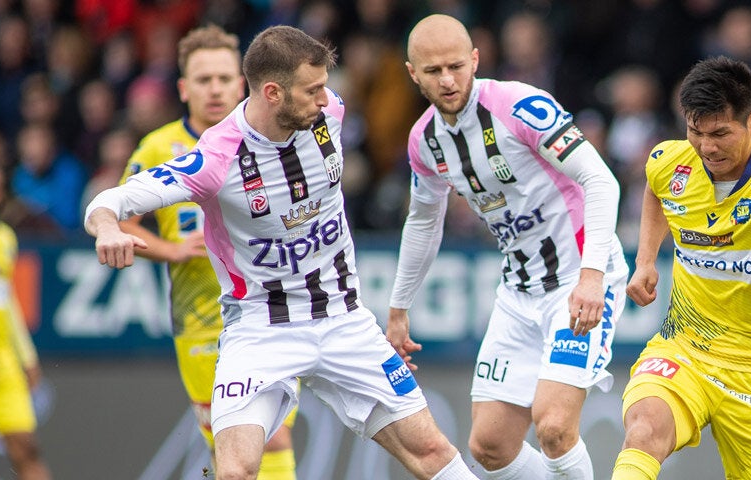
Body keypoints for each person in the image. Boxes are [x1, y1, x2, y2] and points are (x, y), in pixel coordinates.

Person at [84, 25, 477, 480]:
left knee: (431, 451)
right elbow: (109, 201)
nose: (326, 99)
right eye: (312, 90)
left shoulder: (330, 114)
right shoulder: (216, 158)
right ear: (272, 93)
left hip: (344, 319)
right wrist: (108, 228)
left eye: (325, 87)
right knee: (235, 471)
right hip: (260, 330)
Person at [388, 14, 629, 480]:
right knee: (490, 446)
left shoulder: (519, 105)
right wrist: (398, 308)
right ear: (413, 73)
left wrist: (592, 277)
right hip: (518, 293)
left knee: (554, 426)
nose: (448, 80)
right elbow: (422, 221)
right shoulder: (425, 141)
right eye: (434, 71)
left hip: (576, 281)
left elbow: (601, 180)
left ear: (476, 59)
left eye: (456, 66)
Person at [613, 56, 751, 480]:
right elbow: (655, 189)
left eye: (721, 133)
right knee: (644, 428)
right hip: (684, 350)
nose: (707, 147)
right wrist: (646, 259)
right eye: (696, 131)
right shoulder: (670, 161)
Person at [114, 25, 296, 478]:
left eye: (223, 78)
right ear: (183, 88)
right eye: (203, 79)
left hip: (270, 311)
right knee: (229, 446)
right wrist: (171, 249)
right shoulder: (158, 147)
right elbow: (120, 220)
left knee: (272, 436)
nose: (214, 89)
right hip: (201, 320)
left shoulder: (270, 137)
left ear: (242, 84)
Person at [0, 161, 53, 480]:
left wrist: (27, 357)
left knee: (26, 447)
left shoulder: (5, 237)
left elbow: (8, 302)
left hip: (0, 359)